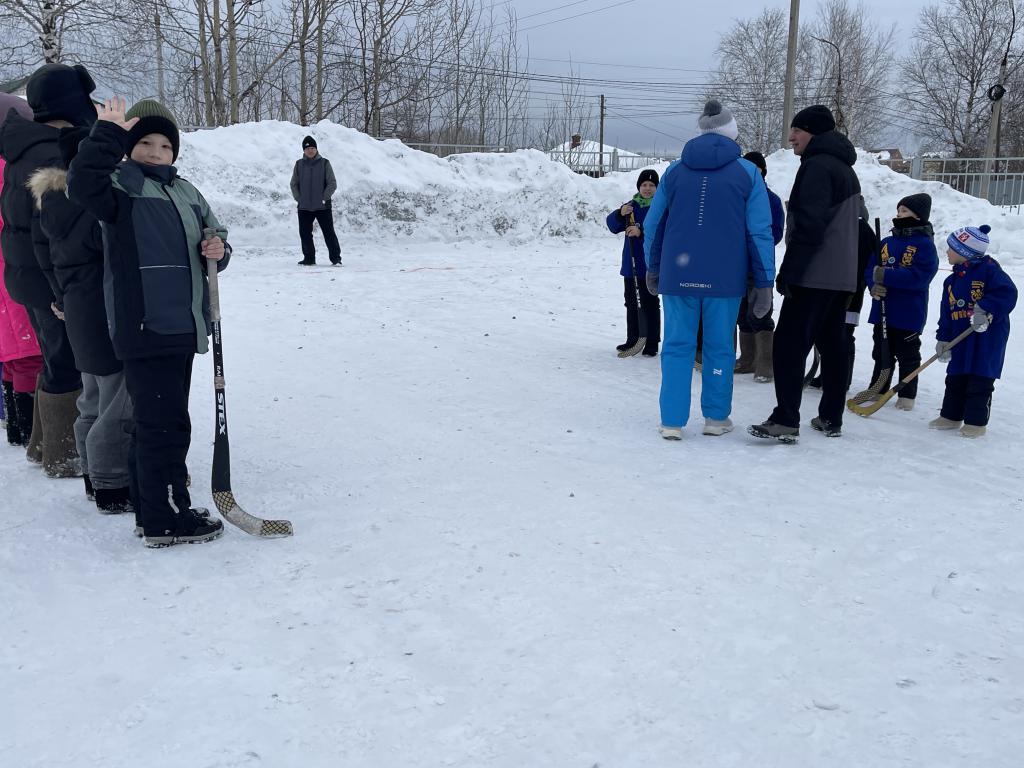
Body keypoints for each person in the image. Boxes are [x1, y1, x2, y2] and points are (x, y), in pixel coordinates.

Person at [68, 97, 230, 546]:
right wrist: (107, 135)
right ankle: (167, 518)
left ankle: (149, 509)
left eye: (164, 144)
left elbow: (214, 237)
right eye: (144, 142)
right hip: (145, 327)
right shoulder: (121, 187)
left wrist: (218, 249)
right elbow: (81, 183)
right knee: (166, 426)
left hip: (184, 327)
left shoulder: (187, 193)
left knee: (155, 421)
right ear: (129, 147)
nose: (155, 151)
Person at [644, 100, 775, 439]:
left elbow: (654, 224)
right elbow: (758, 232)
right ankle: (716, 418)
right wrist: (764, 282)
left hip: (678, 274)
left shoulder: (674, 171)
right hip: (725, 277)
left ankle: (671, 421)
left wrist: (653, 266)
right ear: (732, 134)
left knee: (676, 346)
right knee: (720, 346)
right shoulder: (747, 173)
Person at [30, 126, 133, 512]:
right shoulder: (90, 203)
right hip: (104, 309)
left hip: (76, 309)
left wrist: (59, 298)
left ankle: (92, 475)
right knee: (116, 402)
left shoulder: (52, 203)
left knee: (91, 397)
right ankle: (111, 485)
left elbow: (45, 258)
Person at [0, 64, 93, 475]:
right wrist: (61, 291)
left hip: (28, 276)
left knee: (54, 359)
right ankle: (63, 453)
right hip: (51, 279)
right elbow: (51, 231)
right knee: (68, 361)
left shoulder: (23, 147)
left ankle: (42, 445)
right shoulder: (51, 153)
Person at [749, 105, 861, 442]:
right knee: (833, 344)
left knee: (788, 345)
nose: (791, 137)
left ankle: (785, 418)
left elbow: (810, 226)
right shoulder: (844, 168)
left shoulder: (817, 166)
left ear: (812, 131)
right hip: (841, 276)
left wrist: (790, 271)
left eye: (797, 130)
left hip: (815, 274)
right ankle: (830, 416)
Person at [929, 225, 1017, 438]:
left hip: (986, 338)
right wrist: (943, 338)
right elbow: (946, 313)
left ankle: (976, 423)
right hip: (960, 336)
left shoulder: (989, 271)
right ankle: (950, 416)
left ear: (964, 251)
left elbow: (1008, 293)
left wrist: (985, 307)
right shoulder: (951, 281)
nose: (947, 252)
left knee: (980, 380)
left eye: (951, 248)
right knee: (955, 378)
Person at [859, 193, 939, 411]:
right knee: (881, 352)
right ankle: (878, 389)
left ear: (918, 216)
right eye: (898, 210)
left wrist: (885, 276)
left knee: (907, 355)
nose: (899, 215)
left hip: (908, 312)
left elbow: (919, 277)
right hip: (883, 308)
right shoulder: (886, 242)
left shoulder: (925, 245)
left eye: (904, 211)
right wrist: (873, 285)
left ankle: (907, 394)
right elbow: (871, 269)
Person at [734, 150, 785, 382]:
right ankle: (747, 360)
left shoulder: (770, 199)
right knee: (741, 314)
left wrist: (750, 243)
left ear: (762, 171)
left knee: (761, 312)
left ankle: (766, 364)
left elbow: (774, 235)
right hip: (736, 266)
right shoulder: (735, 196)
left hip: (759, 266)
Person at [605, 168, 661, 357]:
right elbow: (613, 226)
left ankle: (652, 341)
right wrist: (620, 213)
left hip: (650, 265)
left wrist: (641, 233)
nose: (647, 188)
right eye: (644, 185)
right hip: (631, 263)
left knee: (649, 302)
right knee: (631, 302)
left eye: (652, 185)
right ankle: (633, 338)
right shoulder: (631, 207)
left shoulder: (660, 207)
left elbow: (662, 233)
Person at [290, 135, 341, 266]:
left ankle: (336, 259)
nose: (310, 151)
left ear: (316, 149)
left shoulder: (325, 163)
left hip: (322, 206)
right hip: (304, 207)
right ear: (304, 151)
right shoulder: (299, 164)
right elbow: (293, 183)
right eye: (308, 149)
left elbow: (332, 183)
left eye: (313, 148)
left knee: (329, 233)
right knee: (305, 234)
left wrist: (324, 198)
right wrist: (299, 199)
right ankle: (309, 259)